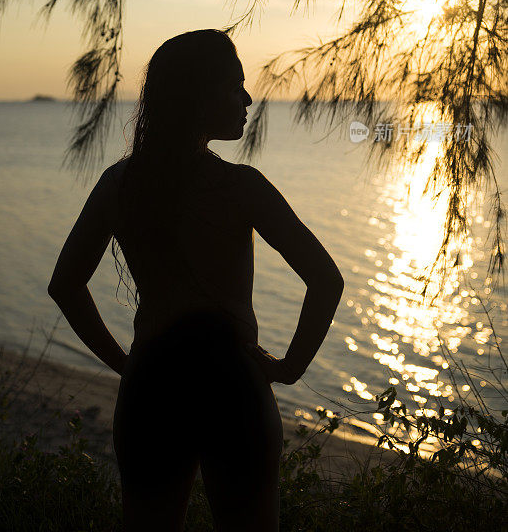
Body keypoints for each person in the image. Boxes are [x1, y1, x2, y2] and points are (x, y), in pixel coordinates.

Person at [48, 29, 344, 531]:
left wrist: (126, 362)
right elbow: (325, 280)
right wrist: (290, 367)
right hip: (235, 390)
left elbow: (65, 285)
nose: (247, 98)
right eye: (235, 86)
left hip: (153, 388)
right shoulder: (240, 187)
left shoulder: (120, 186)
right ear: (197, 97)